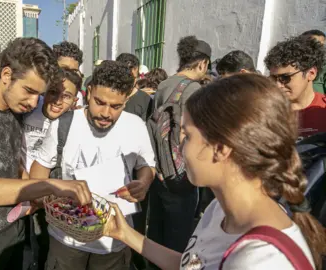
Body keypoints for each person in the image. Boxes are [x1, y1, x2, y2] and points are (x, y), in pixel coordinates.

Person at [103, 74, 326, 270]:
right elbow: (191, 264)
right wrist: (124, 233)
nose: (180, 146)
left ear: (220, 149)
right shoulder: (219, 208)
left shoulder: (263, 259)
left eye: (187, 135)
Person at [0, 37, 92, 270]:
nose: (34, 102)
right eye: (29, 91)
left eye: (39, 94)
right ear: (5, 76)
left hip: (20, 229)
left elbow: (17, 167)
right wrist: (50, 186)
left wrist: (46, 201)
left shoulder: (16, 109)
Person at [30, 60, 155, 270]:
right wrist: (53, 201)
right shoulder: (63, 124)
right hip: (66, 241)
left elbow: (147, 166)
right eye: (100, 102)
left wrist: (143, 184)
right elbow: (37, 176)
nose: (106, 113)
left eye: (116, 106)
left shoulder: (136, 126)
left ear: (126, 100)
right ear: (88, 92)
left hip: (114, 244)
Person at [148, 36, 211, 259]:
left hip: (159, 171)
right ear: (203, 63)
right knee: (179, 235)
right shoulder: (193, 89)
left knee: (158, 228)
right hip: (181, 175)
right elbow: (188, 133)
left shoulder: (164, 84)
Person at [265, 35, 326, 139]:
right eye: (273, 78)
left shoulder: (323, 109)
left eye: (285, 77)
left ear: (311, 73)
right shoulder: (265, 112)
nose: (278, 85)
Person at [116, 53, 154, 122]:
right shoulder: (109, 95)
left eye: (134, 77)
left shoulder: (145, 100)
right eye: (126, 76)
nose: (129, 81)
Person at [52, 41, 85, 106]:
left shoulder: (78, 96)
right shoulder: (38, 95)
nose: (69, 75)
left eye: (73, 72)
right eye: (64, 69)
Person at [302, 29, 326, 94]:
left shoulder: (324, 67)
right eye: (312, 45)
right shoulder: (289, 65)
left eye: (320, 46)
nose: (317, 49)